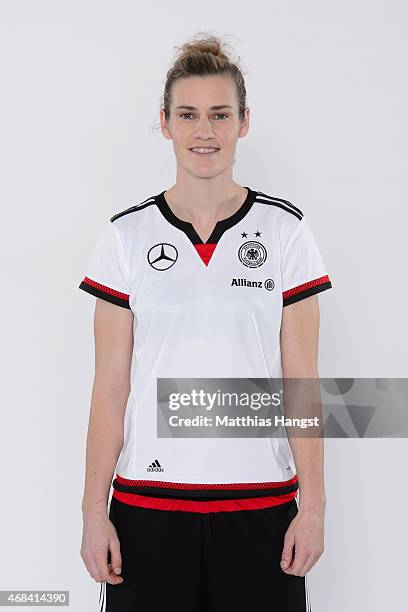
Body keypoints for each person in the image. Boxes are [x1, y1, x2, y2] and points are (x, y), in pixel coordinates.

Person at [79, 32, 332, 612]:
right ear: (164, 124)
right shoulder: (126, 238)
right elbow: (109, 391)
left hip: (262, 512)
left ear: (243, 123)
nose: (204, 131)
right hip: (148, 511)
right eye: (188, 114)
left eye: (220, 114)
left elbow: (303, 386)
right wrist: (95, 512)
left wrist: (313, 507)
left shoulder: (285, 233)